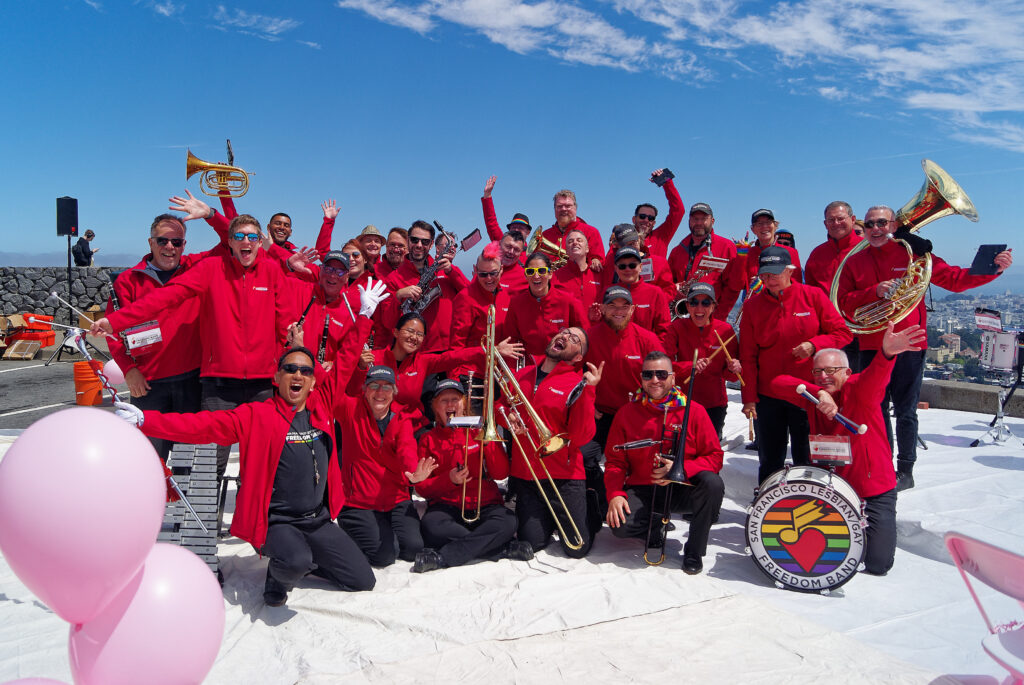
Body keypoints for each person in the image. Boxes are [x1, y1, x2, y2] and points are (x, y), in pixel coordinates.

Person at [113, 280, 388, 606]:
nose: (297, 375)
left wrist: (364, 315)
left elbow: (346, 358)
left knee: (362, 580)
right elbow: (201, 426)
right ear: (276, 377)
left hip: (317, 518)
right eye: (290, 369)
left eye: (304, 370)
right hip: (277, 521)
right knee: (295, 560)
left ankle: (297, 561)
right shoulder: (257, 415)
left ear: (314, 382)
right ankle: (282, 572)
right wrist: (148, 420)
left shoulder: (322, 405)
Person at [92, 214, 299, 481]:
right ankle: (168, 517)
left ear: (261, 241)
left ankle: (252, 522)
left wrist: (288, 365)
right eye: (239, 237)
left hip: (248, 383)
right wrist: (114, 323)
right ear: (230, 242)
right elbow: (161, 299)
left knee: (252, 466)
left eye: (176, 241)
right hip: (204, 385)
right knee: (190, 464)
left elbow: (286, 325)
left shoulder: (270, 271)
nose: (170, 246)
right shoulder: (208, 269)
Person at [836, 205, 1012, 490]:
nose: (876, 229)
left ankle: (905, 470)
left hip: (909, 344)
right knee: (874, 409)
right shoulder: (854, 262)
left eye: (882, 223)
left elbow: (954, 279)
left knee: (906, 411)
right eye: (869, 225)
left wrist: (995, 269)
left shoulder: (914, 254)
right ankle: (879, 463)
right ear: (863, 229)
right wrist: (874, 291)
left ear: (894, 225)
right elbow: (843, 302)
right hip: (872, 344)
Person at [769, 322, 928, 575]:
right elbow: (777, 382)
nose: (824, 376)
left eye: (832, 370)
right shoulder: (813, 396)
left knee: (878, 564)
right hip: (830, 491)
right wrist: (819, 392)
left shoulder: (859, 389)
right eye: (818, 371)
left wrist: (886, 354)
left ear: (847, 372)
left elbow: (876, 377)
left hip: (872, 491)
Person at [104, 213, 222, 462]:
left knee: (187, 461)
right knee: (147, 459)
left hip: (192, 380)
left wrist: (211, 214)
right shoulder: (128, 280)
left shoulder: (196, 267)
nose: (169, 247)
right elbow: (114, 333)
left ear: (184, 245)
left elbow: (232, 239)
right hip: (148, 385)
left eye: (176, 242)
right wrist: (128, 370)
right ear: (150, 243)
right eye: (162, 241)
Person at [739, 246, 852, 486]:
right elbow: (747, 356)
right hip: (768, 394)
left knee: (807, 457)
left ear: (790, 271)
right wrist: (749, 398)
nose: (769, 280)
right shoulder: (752, 307)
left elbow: (843, 333)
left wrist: (815, 344)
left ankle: (809, 502)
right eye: (765, 275)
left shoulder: (813, 296)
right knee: (770, 459)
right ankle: (767, 502)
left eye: (775, 274)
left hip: (809, 394)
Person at [604, 351, 724, 574]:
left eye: (661, 374)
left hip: (682, 488)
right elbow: (615, 462)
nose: (654, 380)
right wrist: (615, 494)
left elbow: (715, 457)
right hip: (644, 488)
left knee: (713, 484)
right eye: (648, 375)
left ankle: (694, 551)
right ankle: (654, 525)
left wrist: (681, 468)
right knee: (618, 526)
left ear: (673, 377)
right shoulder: (626, 412)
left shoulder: (694, 411)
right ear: (641, 378)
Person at [411, 378, 532, 572]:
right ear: (435, 407)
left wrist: (489, 445)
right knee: (431, 526)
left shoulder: (480, 431)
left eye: (455, 399)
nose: (450, 404)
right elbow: (421, 488)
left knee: (508, 521)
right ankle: (498, 547)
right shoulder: (428, 439)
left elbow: (501, 474)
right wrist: (448, 480)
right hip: (447, 506)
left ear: (463, 405)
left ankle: (444, 556)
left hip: (484, 504)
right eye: (444, 400)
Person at [503, 327, 602, 558]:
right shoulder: (522, 374)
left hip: (564, 476)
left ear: (578, 357)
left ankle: (590, 508)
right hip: (529, 476)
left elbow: (582, 436)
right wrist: (506, 418)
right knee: (532, 542)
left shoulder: (577, 383)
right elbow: (501, 405)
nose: (565, 336)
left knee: (576, 548)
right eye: (564, 332)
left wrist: (589, 391)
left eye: (574, 339)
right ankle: (550, 516)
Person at [336, 364, 438, 567]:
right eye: (374, 385)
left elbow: (407, 448)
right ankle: (346, 536)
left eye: (387, 387)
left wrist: (412, 471)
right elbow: (329, 389)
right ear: (364, 390)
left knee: (413, 549)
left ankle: (383, 533)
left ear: (394, 392)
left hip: (395, 498)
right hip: (359, 502)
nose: (380, 392)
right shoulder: (350, 410)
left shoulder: (401, 419)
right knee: (383, 557)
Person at [351, 312, 521, 428]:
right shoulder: (373, 358)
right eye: (410, 331)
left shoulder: (424, 361)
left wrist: (492, 350)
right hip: (373, 426)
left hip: (410, 428)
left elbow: (455, 357)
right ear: (395, 332)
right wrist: (359, 368)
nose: (414, 337)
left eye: (419, 334)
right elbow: (352, 393)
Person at [663, 282, 740, 440]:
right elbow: (665, 366)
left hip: (714, 403)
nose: (699, 308)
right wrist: (689, 366)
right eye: (694, 302)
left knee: (709, 448)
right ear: (687, 306)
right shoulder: (677, 327)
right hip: (683, 401)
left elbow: (731, 377)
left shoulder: (726, 331)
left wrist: (734, 368)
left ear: (713, 306)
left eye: (705, 303)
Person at [385, 220, 469, 353]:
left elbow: (470, 294)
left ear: (431, 245)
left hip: (451, 348)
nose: (419, 245)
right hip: (420, 352)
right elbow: (387, 322)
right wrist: (398, 295)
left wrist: (451, 271)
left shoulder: (445, 268)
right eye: (414, 240)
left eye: (424, 242)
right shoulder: (393, 278)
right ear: (408, 241)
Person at [667, 203, 742, 320]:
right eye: (695, 219)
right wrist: (674, 291)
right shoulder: (676, 251)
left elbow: (733, 288)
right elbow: (667, 283)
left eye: (703, 219)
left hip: (712, 317)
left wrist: (719, 317)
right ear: (689, 221)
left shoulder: (727, 247)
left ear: (712, 221)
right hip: (681, 319)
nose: (699, 223)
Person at [504, 253, 587, 357]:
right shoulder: (516, 303)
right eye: (530, 271)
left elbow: (583, 338)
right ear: (525, 275)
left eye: (541, 271)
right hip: (530, 367)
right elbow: (512, 340)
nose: (536, 276)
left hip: (562, 366)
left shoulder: (568, 300)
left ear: (550, 273)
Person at [450, 242, 510, 352]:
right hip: (473, 366)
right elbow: (457, 346)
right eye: (483, 274)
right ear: (476, 270)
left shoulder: (505, 295)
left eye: (493, 273)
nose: (489, 279)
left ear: (501, 269)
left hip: (498, 365)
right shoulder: (465, 298)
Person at [600, 247, 670, 340]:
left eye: (632, 265)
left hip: (647, 351)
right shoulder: (607, 292)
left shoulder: (655, 293)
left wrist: (656, 353)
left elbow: (665, 332)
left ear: (641, 267)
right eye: (622, 266)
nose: (627, 269)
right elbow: (600, 328)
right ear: (616, 269)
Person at [480, 175, 530, 293]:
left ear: (528, 233)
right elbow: (491, 222)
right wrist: (487, 196)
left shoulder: (534, 253)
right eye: (514, 227)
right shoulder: (501, 241)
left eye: (521, 228)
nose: (517, 230)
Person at [600, 224, 675, 301]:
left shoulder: (659, 262)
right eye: (625, 245)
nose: (631, 247)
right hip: (620, 310)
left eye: (633, 243)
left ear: (639, 239)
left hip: (649, 309)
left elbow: (669, 290)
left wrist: (653, 302)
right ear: (617, 246)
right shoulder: (611, 262)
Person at [742, 209, 803, 292]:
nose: (764, 226)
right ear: (753, 229)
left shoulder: (791, 252)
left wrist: (762, 289)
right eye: (759, 223)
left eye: (768, 222)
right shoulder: (748, 253)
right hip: (753, 304)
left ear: (775, 226)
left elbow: (796, 287)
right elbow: (736, 286)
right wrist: (740, 258)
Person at [543, 189, 605, 269]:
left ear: (575, 208)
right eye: (559, 206)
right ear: (554, 209)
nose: (564, 209)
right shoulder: (544, 235)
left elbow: (600, 262)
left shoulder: (591, 232)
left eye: (568, 206)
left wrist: (595, 260)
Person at [633, 168, 685, 259]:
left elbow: (678, 211)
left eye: (650, 218)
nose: (646, 220)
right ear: (634, 219)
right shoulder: (623, 238)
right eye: (642, 216)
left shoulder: (661, 237)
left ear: (654, 223)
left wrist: (666, 182)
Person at [552, 228, 602, 312]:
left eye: (579, 240)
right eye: (570, 241)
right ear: (566, 251)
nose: (575, 243)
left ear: (587, 249)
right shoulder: (555, 276)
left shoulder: (600, 274)